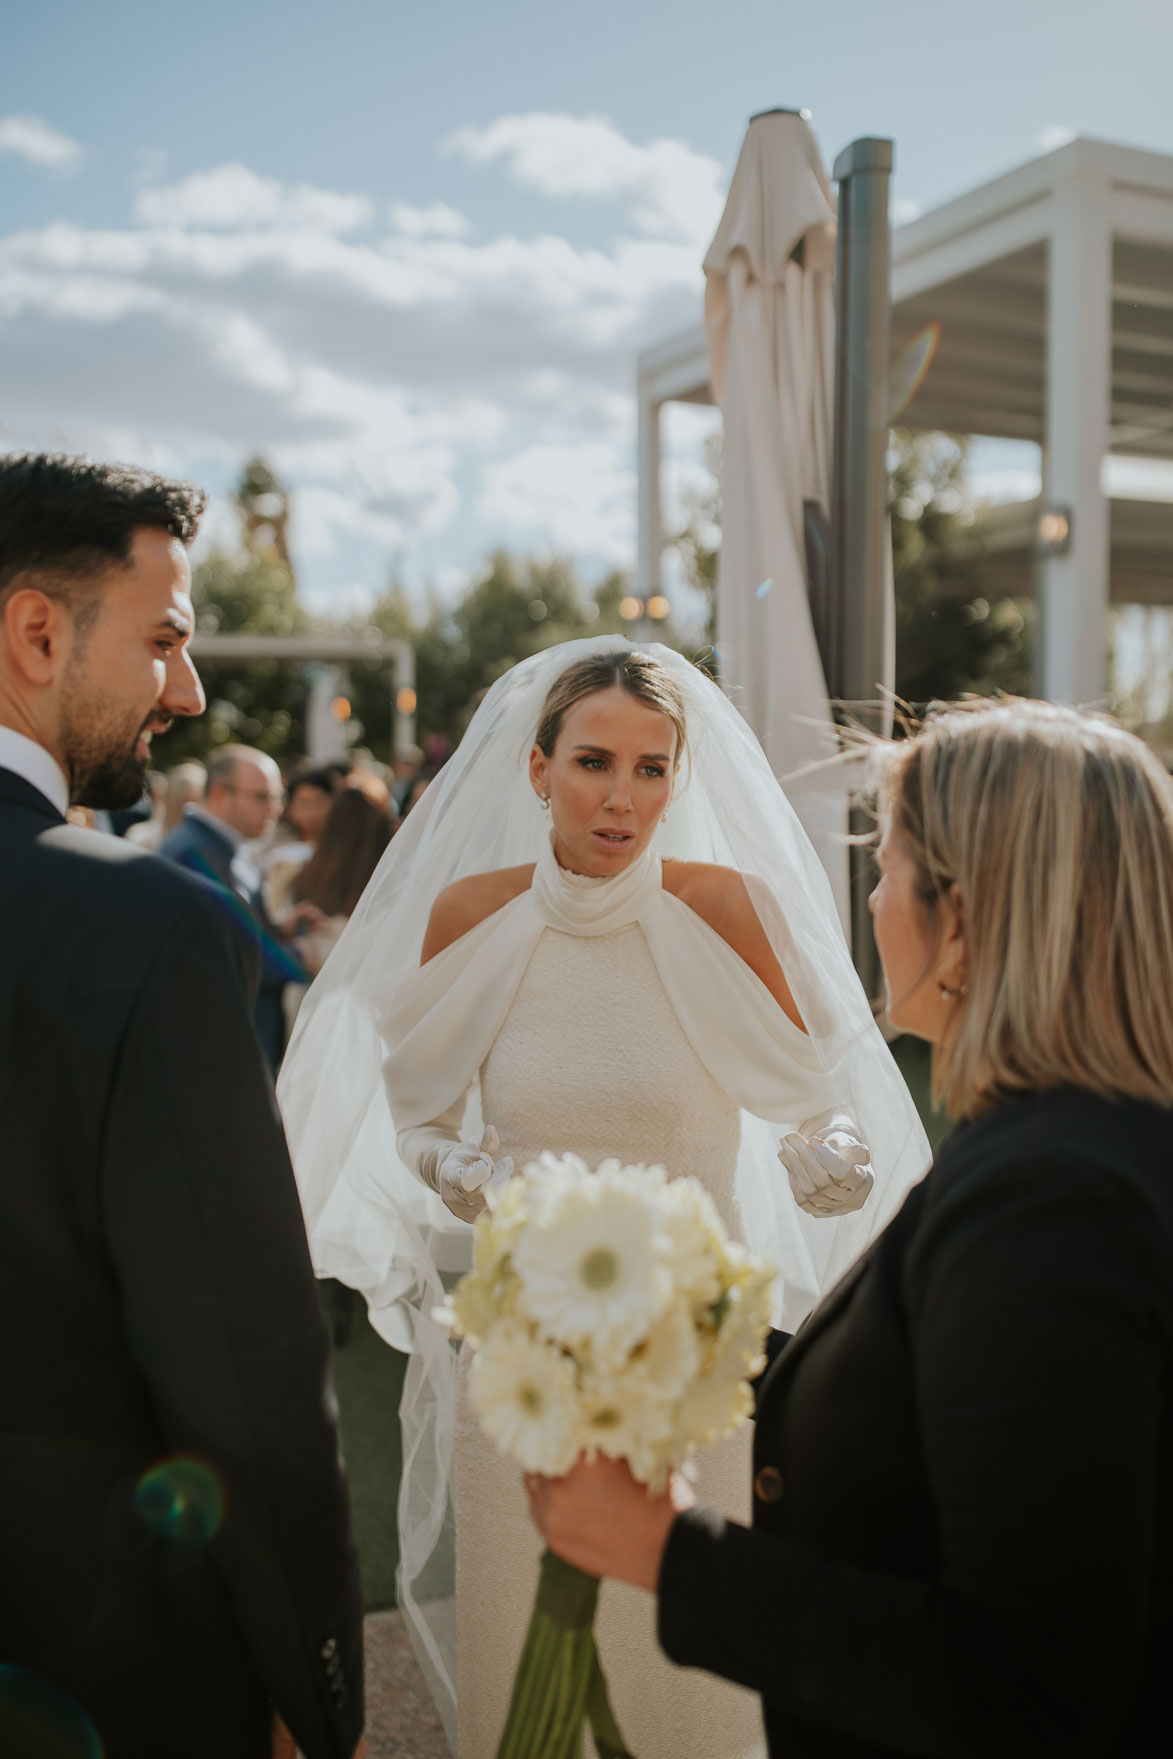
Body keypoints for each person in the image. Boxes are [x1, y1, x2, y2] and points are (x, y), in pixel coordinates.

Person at [278, 639, 930, 1756]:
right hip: (524, 1351)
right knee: (523, 1640)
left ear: (680, 777)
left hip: (688, 1352)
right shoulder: (471, 914)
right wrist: (458, 1171)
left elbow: (805, 1096)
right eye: (592, 761)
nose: (622, 797)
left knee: (679, 1662)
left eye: (651, 767)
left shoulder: (726, 907)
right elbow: (425, 1118)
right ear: (536, 768)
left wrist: (834, 1154)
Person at [529, 696, 1173, 1758]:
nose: (870, 903)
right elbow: (943, 1399)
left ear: (962, 915)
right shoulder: (1074, 1144)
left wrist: (665, 1549)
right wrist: (715, 1334)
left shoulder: (1050, 1199)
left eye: (888, 866)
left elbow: (1028, 1688)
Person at [0, 452, 366, 1759]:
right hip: (100, 1670)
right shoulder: (148, 928)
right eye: (164, 639)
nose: (191, 691)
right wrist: (315, 1684)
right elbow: (247, 1364)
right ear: (38, 632)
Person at [159, 744, 311, 1069]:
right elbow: (230, 951)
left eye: (277, 797)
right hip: (217, 1046)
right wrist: (301, 958)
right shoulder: (193, 851)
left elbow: (243, 925)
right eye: (262, 797)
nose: (275, 809)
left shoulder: (220, 845)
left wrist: (281, 929)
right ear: (219, 794)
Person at [126, 757, 206, 850]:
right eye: (183, 803)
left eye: (196, 805)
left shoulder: (207, 846)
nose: (188, 811)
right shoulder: (141, 838)